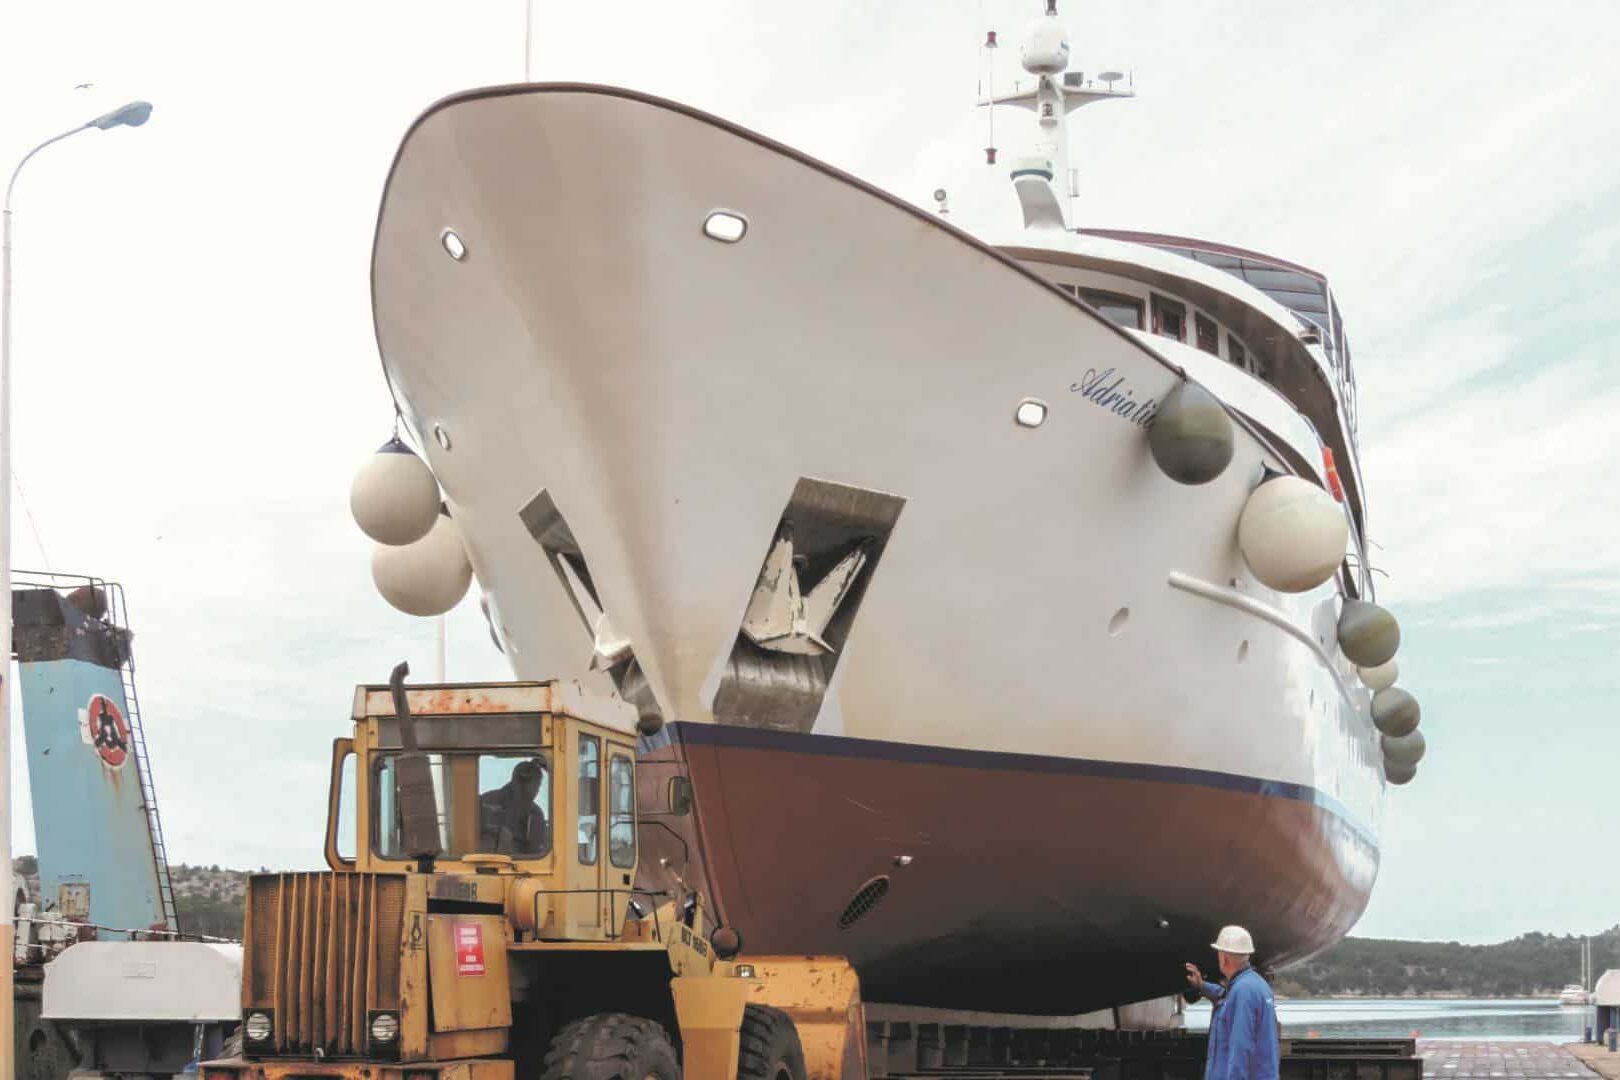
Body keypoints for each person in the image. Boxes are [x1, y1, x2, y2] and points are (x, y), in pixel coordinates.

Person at [1185, 925, 1279, 1080]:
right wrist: (1202, 985)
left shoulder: (1241, 991)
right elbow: (1225, 996)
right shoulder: (1255, 985)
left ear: (1224, 958)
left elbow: (1241, 1048)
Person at [479, 759, 549, 854]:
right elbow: (537, 855)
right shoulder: (535, 813)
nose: (537, 791)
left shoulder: (485, 799)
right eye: (537, 786)